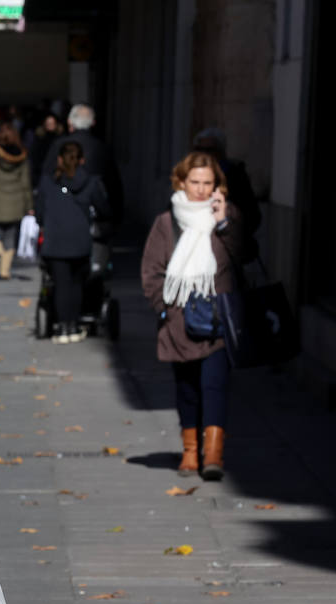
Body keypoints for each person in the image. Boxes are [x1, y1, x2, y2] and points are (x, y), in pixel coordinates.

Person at [140, 151, 244, 480]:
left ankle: (212, 454)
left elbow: (245, 254)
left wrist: (224, 222)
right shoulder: (166, 222)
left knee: (214, 385)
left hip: (218, 320)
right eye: (194, 182)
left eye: (207, 183)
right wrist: (164, 308)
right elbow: (151, 270)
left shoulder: (227, 218)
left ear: (218, 186)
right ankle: (189, 453)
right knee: (187, 389)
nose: (200, 189)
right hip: (180, 319)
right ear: (181, 182)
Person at [34, 141, 109, 343]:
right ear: (82, 160)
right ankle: (73, 326)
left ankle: (61, 328)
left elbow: (39, 213)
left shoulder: (47, 183)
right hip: (79, 241)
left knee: (60, 285)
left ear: (59, 159)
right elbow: (104, 209)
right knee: (76, 285)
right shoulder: (91, 183)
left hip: (55, 241)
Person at [191, 127, 261, 261]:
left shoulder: (234, 176)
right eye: (199, 150)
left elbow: (252, 216)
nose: (203, 155)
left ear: (220, 152)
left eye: (209, 150)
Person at [0, 123, 32, 280]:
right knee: (10, 236)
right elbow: (25, 183)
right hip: (15, 202)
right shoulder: (22, 156)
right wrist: (29, 205)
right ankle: (5, 270)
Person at [28, 111, 64, 187]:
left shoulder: (61, 139)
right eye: (48, 123)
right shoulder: (39, 139)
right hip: (41, 174)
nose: (50, 125)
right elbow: (34, 156)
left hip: (56, 174)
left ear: (57, 124)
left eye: (52, 123)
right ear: (44, 124)